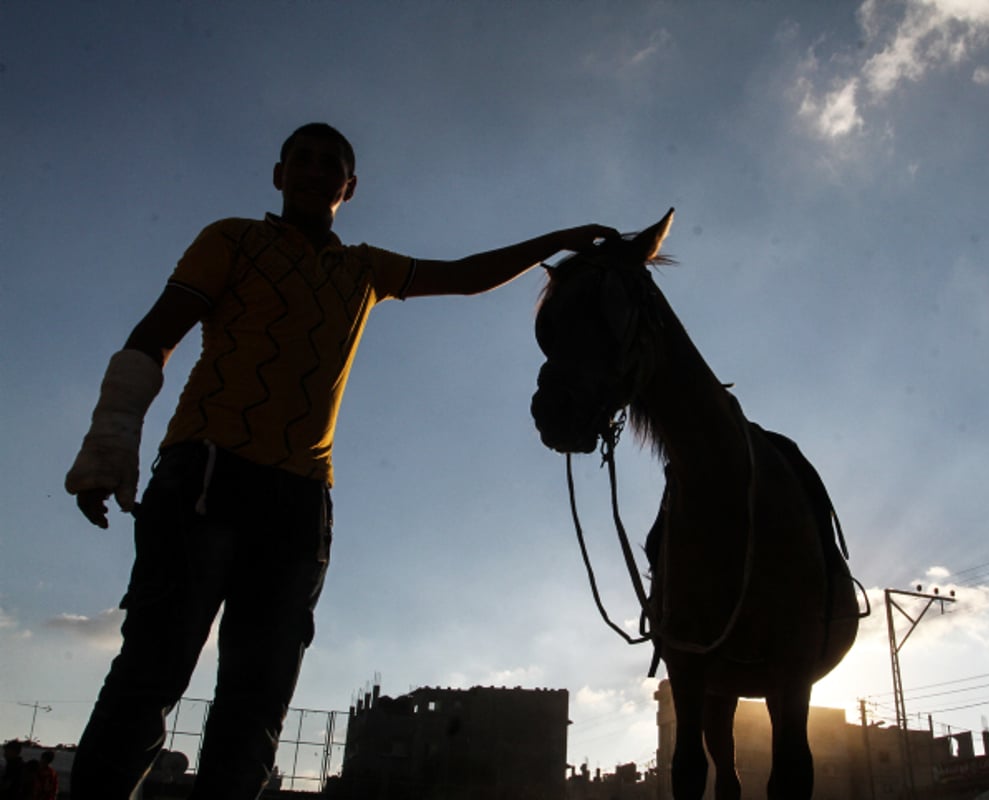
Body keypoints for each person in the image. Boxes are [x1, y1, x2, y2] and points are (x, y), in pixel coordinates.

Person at [64, 122, 618, 799]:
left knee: (257, 705)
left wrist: (555, 242)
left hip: (300, 502)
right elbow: (155, 335)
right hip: (205, 474)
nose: (317, 170)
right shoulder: (232, 239)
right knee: (152, 673)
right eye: (305, 158)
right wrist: (111, 439)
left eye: (334, 164)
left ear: (349, 188)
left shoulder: (364, 269)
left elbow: (466, 276)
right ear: (279, 173)